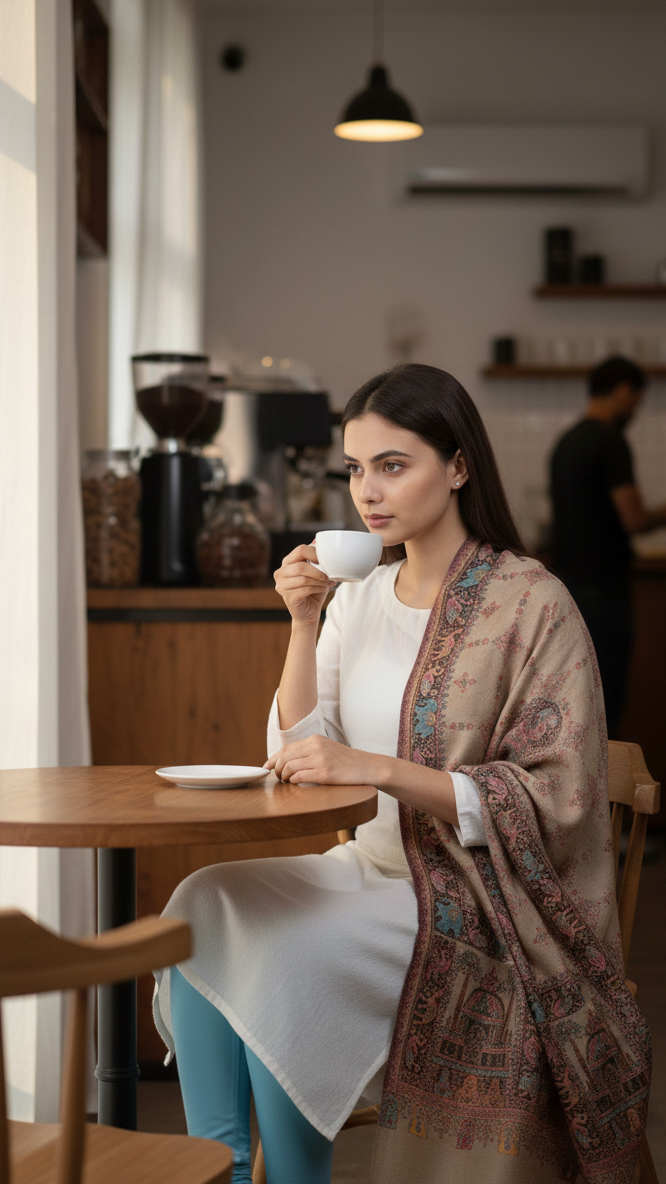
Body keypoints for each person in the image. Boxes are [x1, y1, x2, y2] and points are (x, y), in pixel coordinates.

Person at [153, 364, 649, 1184]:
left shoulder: (532, 604)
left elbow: (556, 797)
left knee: (284, 956)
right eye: (354, 469)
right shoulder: (357, 597)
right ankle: (225, 1170)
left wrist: (381, 769)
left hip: (479, 894)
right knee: (200, 904)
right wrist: (303, 623)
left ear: (457, 466)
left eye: (393, 464)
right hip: (372, 869)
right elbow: (300, 758)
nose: (367, 492)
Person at [550, 355, 666, 737]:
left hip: (569, 590)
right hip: (604, 596)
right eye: (636, 400)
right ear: (623, 391)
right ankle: (603, 795)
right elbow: (632, 518)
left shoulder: (566, 441)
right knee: (605, 712)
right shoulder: (610, 440)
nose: (635, 409)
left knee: (574, 708)